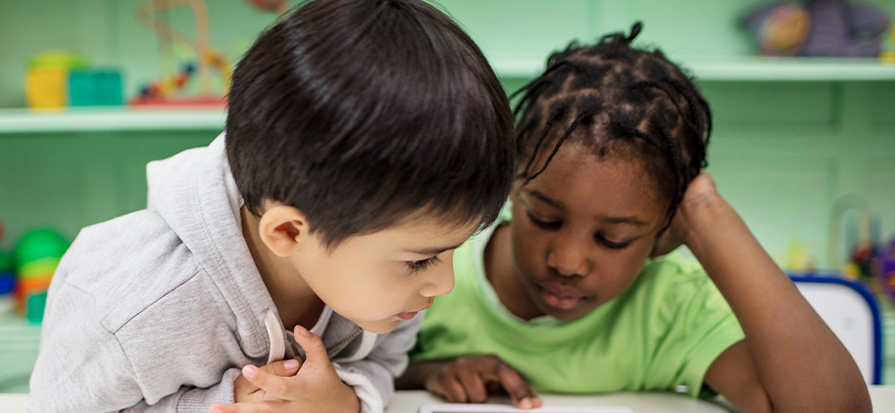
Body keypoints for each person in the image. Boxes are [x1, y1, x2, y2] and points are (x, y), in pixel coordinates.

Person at [26, 1, 515, 412]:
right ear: (288, 233)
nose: (444, 283)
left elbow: (383, 365)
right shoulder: (141, 310)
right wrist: (225, 402)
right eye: (420, 259)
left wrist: (345, 401)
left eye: (452, 249)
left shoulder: (393, 286)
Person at [397, 23, 872, 413]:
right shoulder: (434, 263)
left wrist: (708, 216)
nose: (568, 261)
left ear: (665, 226)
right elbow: (354, 368)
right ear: (512, 181)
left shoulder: (671, 306)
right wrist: (431, 371)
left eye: (614, 238)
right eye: (543, 217)